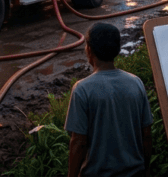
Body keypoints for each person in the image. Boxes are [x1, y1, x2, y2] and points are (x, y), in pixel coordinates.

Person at [65, 23, 152, 177]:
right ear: (117, 49)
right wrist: (146, 169)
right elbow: (146, 133)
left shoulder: (82, 89)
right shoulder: (136, 83)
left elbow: (78, 142)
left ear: (89, 50)